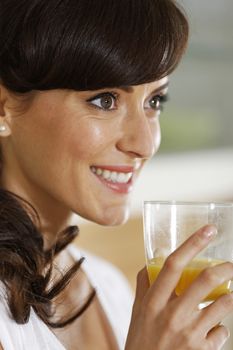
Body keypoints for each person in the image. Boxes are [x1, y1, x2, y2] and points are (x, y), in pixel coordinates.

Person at [0, 0, 232, 349]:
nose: (144, 143)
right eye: (105, 100)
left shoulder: (111, 287)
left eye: (154, 102)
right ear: (4, 109)